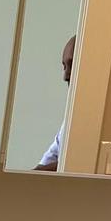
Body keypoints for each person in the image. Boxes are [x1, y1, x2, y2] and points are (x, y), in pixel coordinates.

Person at [34, 35, 76, 171]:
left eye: (72, 64)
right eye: (64, 66)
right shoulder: (71, 116)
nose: (65, 76)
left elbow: (80, 164)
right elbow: (46, 164)